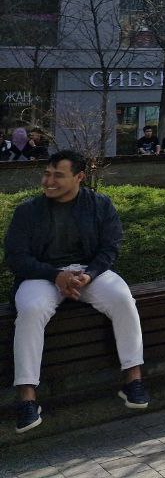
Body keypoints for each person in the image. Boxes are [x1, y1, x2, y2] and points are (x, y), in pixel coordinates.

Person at [5, 151, 150, 432]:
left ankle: (133, 380)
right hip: (42, 275)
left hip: (88, 272)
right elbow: (16, 257)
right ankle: (27, 399)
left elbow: (110, 247)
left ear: (79, 177)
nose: (49, 181)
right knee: (31, 309)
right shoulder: (27, 211)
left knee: (122, 298)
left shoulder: (100, 205)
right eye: (47, 174)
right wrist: (55, 275)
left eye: (58, 175)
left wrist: (88, 275)